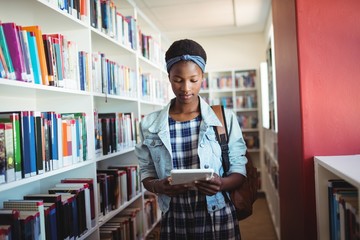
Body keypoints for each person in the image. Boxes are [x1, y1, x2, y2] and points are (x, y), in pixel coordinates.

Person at [135, 39, 247, 240]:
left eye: (193, 80)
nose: (186, 88)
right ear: (168, 77)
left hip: (218, 216)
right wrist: (159, 186)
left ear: (202, 77)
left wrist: (220, 184)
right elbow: (147, 172)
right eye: (178, 79)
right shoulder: (150, 125)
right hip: (175, 218)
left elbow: (239, 171)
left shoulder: (224, 119)